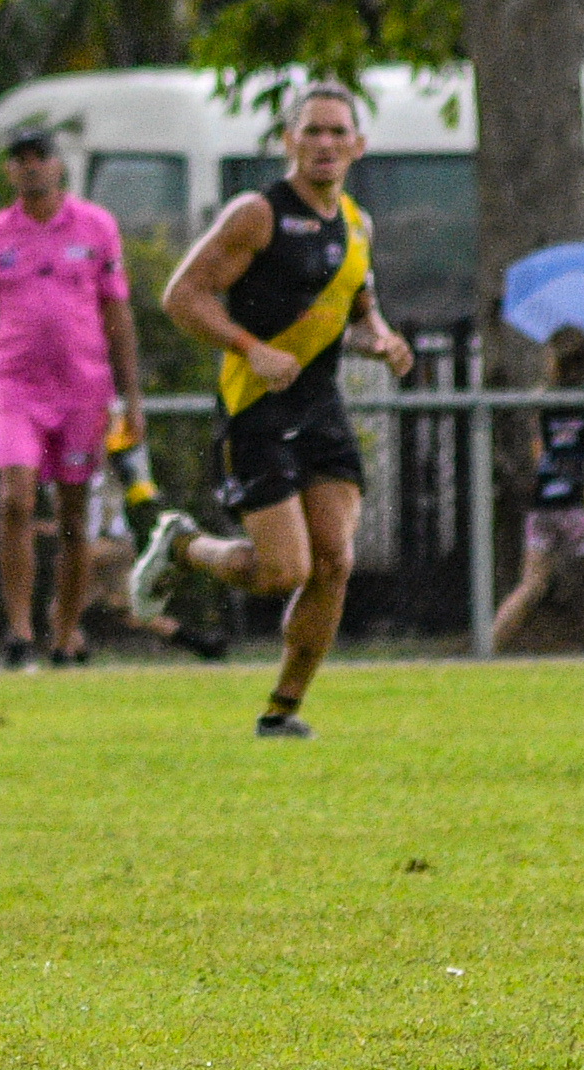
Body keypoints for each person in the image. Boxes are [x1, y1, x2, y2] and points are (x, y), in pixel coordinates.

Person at [133, 83, 413, 737]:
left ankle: (282, 711)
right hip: (256, 408)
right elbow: (183, 296)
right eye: (311, 131)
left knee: (335, 561)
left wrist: (380, 339)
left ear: (358, 146)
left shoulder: (356, 224)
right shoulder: (257, 214)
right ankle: (184, 546)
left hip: (322, 408)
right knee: (284, 570)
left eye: (337, 133)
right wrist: (249, 348)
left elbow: (357, 310)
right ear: (289, 141)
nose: (324, 144)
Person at [0, 126, 145, 669]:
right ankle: (19, 632)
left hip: (84, 391)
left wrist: (132, 399)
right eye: (20, 160)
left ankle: (65, 632)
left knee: (72, 513)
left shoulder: (96, 226)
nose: (31, 167)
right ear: (10, 171)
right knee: (15, 501)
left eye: (40, 158)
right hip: (15, 390)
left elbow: (117, 314)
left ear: (58, 165)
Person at [490, 325, 584, 651]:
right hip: (580, 504)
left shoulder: (543, 401)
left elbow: (537, 451)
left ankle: (487, 648)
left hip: (543, 504)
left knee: (530, 585)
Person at [79, 466, 227, 660]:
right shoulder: (101, 474)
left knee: (64, 607)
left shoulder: (89, 475)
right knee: (130, 611)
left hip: (105, 545)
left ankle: (68, 655)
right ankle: (200, 643)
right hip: (116, 544)